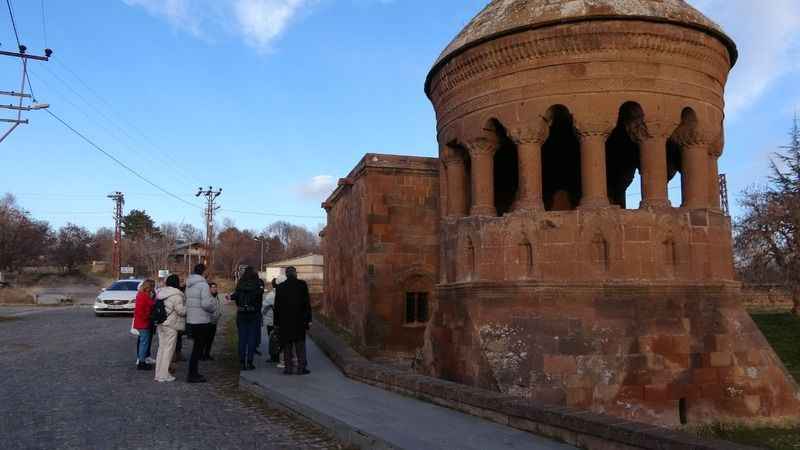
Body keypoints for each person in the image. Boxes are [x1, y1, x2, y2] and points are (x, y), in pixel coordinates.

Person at [274, 266, 312, 375]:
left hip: (285, 321)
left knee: (287, 345)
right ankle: (301, 368)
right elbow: (307, 304)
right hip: (300, 320)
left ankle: (288, 368)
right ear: (295, 273)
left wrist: (276, 322)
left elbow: (277, 306)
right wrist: (309, 319)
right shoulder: (302, 285)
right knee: (300, 345)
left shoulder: (280, 287)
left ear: (286, 274)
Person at [185, 263, 218, 383]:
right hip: (201, 320)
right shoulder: (204, 285)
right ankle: (192, 374)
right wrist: (213, 306)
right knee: (198, 349)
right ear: (203, 272)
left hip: (191, 320)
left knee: (195, 348)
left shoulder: (189, 284)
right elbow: (206, 304)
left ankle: (192, 372)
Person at [154, 275, 186, 382]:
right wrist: (189, 307)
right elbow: (181, 311)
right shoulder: (177, 295)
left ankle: (158, 374)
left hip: (160, 323)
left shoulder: (160, 293)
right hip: (171, 325)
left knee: (161, 348)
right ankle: (164, 375)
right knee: (168, 350)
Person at [231, 267, 264, 370]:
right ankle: (249, 362)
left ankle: (241, 362)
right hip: (254, 314)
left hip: (241, 313)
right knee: (251, 339)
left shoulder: (240, 283)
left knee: (242, 339)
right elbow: (259, 300)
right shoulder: (257, 284)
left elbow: (236, 297)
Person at [132, 279, 156, 370]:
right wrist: (148, 316)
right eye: (152, 286)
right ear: (148, 287)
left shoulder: (140, 295)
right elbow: (142, 310)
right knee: (144, 343)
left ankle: (142, 360)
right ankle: (142, 362)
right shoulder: (144, 296)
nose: (153, 288)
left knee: (143, 342)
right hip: (143, 322)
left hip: (141, 322)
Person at [202, 282, 223, 360]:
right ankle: (202, 355)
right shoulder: (207, 297)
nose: (214, 289)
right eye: (212, 287)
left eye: (215, 287)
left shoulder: (216, 296)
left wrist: (219, 313)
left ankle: (207, 354)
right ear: (209, 289)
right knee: (205, 339)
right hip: (207, 321)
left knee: (210, 339)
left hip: (214, 321)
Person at [261, 285, 279, 363]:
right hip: (282, 321)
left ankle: (274, 357)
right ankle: (281, 356)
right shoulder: (286, 293)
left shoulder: (271, 295)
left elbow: (264, 308)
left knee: (272, 339)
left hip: (270, 321)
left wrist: (262, 316)